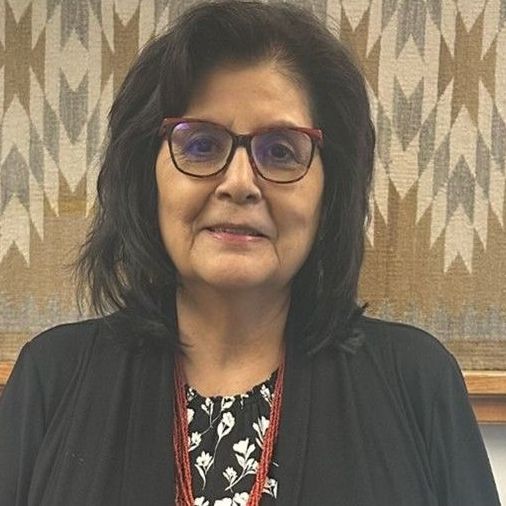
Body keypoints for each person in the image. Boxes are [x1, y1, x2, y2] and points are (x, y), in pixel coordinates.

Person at [0, 1, 500, 505]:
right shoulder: (52, 379)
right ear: (145, 179)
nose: (239, 183)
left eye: (281, 151)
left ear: (330, 191)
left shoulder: (417, 382)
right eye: (200, 145)